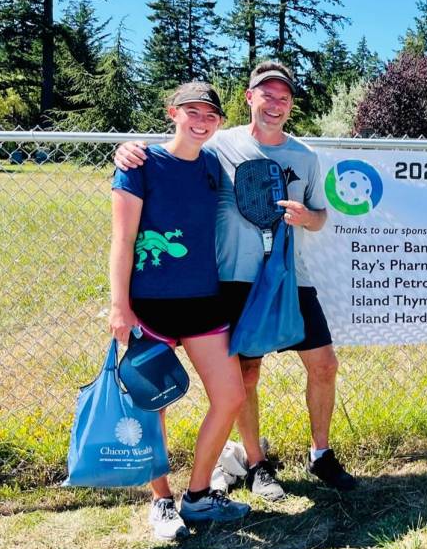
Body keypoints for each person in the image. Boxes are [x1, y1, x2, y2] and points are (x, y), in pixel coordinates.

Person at [114, 62, 357, 501]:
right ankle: (255, 463)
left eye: (284, 97)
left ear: (291, 105)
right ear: (250, 98)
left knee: (324, 364)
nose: (275, 103)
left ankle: (320, 454)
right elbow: (173, 152)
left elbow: (322, 217)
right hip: (233, 280)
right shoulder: (218, 145)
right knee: (246, 374)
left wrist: (308, 218)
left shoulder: (305, 156)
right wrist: (129, 149)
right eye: (267, 94)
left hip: (289, 279)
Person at [109, 82, 250, 541]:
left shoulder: (212, 163)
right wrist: (119, 307)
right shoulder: (141, 163)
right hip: (149, 307)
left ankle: (198, 496)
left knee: (230, 396)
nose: (202, 121)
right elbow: (123, 241)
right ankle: (161, 502)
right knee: (154, 407)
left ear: (219, 123)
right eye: (193, 111)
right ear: (173, 112)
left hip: (203, 302)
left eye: (211, 115)